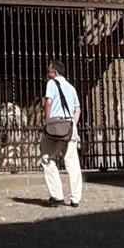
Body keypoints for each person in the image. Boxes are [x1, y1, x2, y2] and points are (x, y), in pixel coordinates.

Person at [41, 54, 82, 207]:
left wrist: (47, 120)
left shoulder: (52, 84)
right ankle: (75, 197)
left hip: (55, 126)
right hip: (70, 126)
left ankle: (57, 195)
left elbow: (49, 102)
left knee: (46, 158)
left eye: (49, 71)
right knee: (72, 162)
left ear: (55, 73)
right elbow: (77, 110)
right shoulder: (71, 88)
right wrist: (73, 124)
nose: (47, 74)